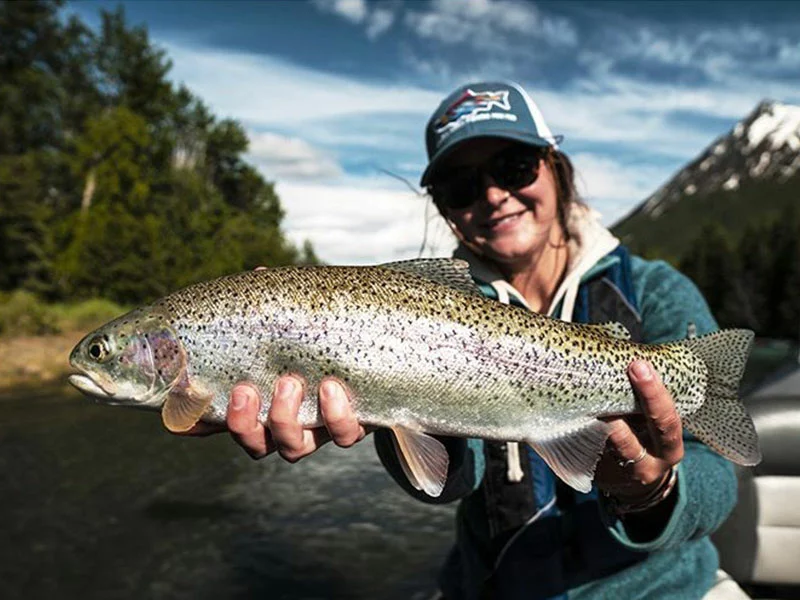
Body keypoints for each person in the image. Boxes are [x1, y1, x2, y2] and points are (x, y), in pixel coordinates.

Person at [185, 81, 746, 599]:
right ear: (446, 210)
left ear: (557, 169)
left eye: (515, 165)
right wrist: (382, 410)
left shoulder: (654, 292)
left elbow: (721, 478)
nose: (495, 194)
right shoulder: (415, 309)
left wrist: (651, 492)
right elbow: (452, 475)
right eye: (462, 185)